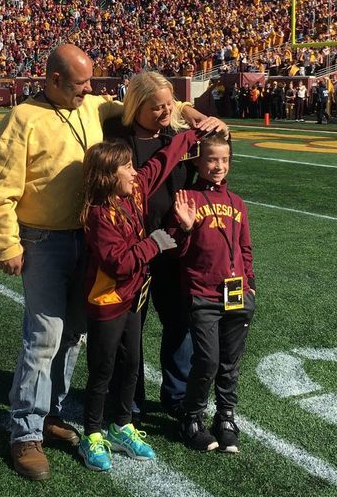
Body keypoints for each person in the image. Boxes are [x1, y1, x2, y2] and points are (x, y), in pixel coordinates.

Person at [0, 45, 221, 481]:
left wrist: (187, 110)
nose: (90, 90)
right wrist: (8, 244)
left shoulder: (91, 105)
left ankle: (52, 412)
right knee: (45, 335)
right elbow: (1, 187)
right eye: (80, 83)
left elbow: (138, 101)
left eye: (90, 82)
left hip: (88, 240)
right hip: (45, 239)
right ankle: (25, 433)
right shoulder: (23, 119)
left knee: (72, 333)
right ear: (54, 80)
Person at [103, 72, 226, 421]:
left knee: (179, 320)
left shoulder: (176, 135)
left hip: (173, 245)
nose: (163, 112)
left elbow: (220, 153)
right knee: (131, 326)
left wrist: (208, 121)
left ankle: (176, 395)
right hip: (134, 246)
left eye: (168, 105)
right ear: (135, 106)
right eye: (155, 107)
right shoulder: (117, 138)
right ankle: (130, 396)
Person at [78, 129, 200, 471]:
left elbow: (159, 165)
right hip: (107, 301)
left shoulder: (132, 194)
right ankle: (91, 433)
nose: (135, 172)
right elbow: (118, 263)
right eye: (128, 168)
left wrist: (187, 137)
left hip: (133, 296)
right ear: (107, 175)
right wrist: (154, 244)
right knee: (103, 369)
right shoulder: (99, 214)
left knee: (131, 363)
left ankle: (121, 424)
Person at [176, 133, 256, 453]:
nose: (219, 166)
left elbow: (245, 248)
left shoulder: (237, 203)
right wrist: (184, 229)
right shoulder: (187, 198)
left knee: (230, 361)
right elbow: (175, 252)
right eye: (211, 159)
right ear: (197, 161)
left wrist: (250, 285)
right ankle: (191, 416)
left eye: (224, 159)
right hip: (202, 293)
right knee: (208, 360)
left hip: (236, 292)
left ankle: (225, 416)